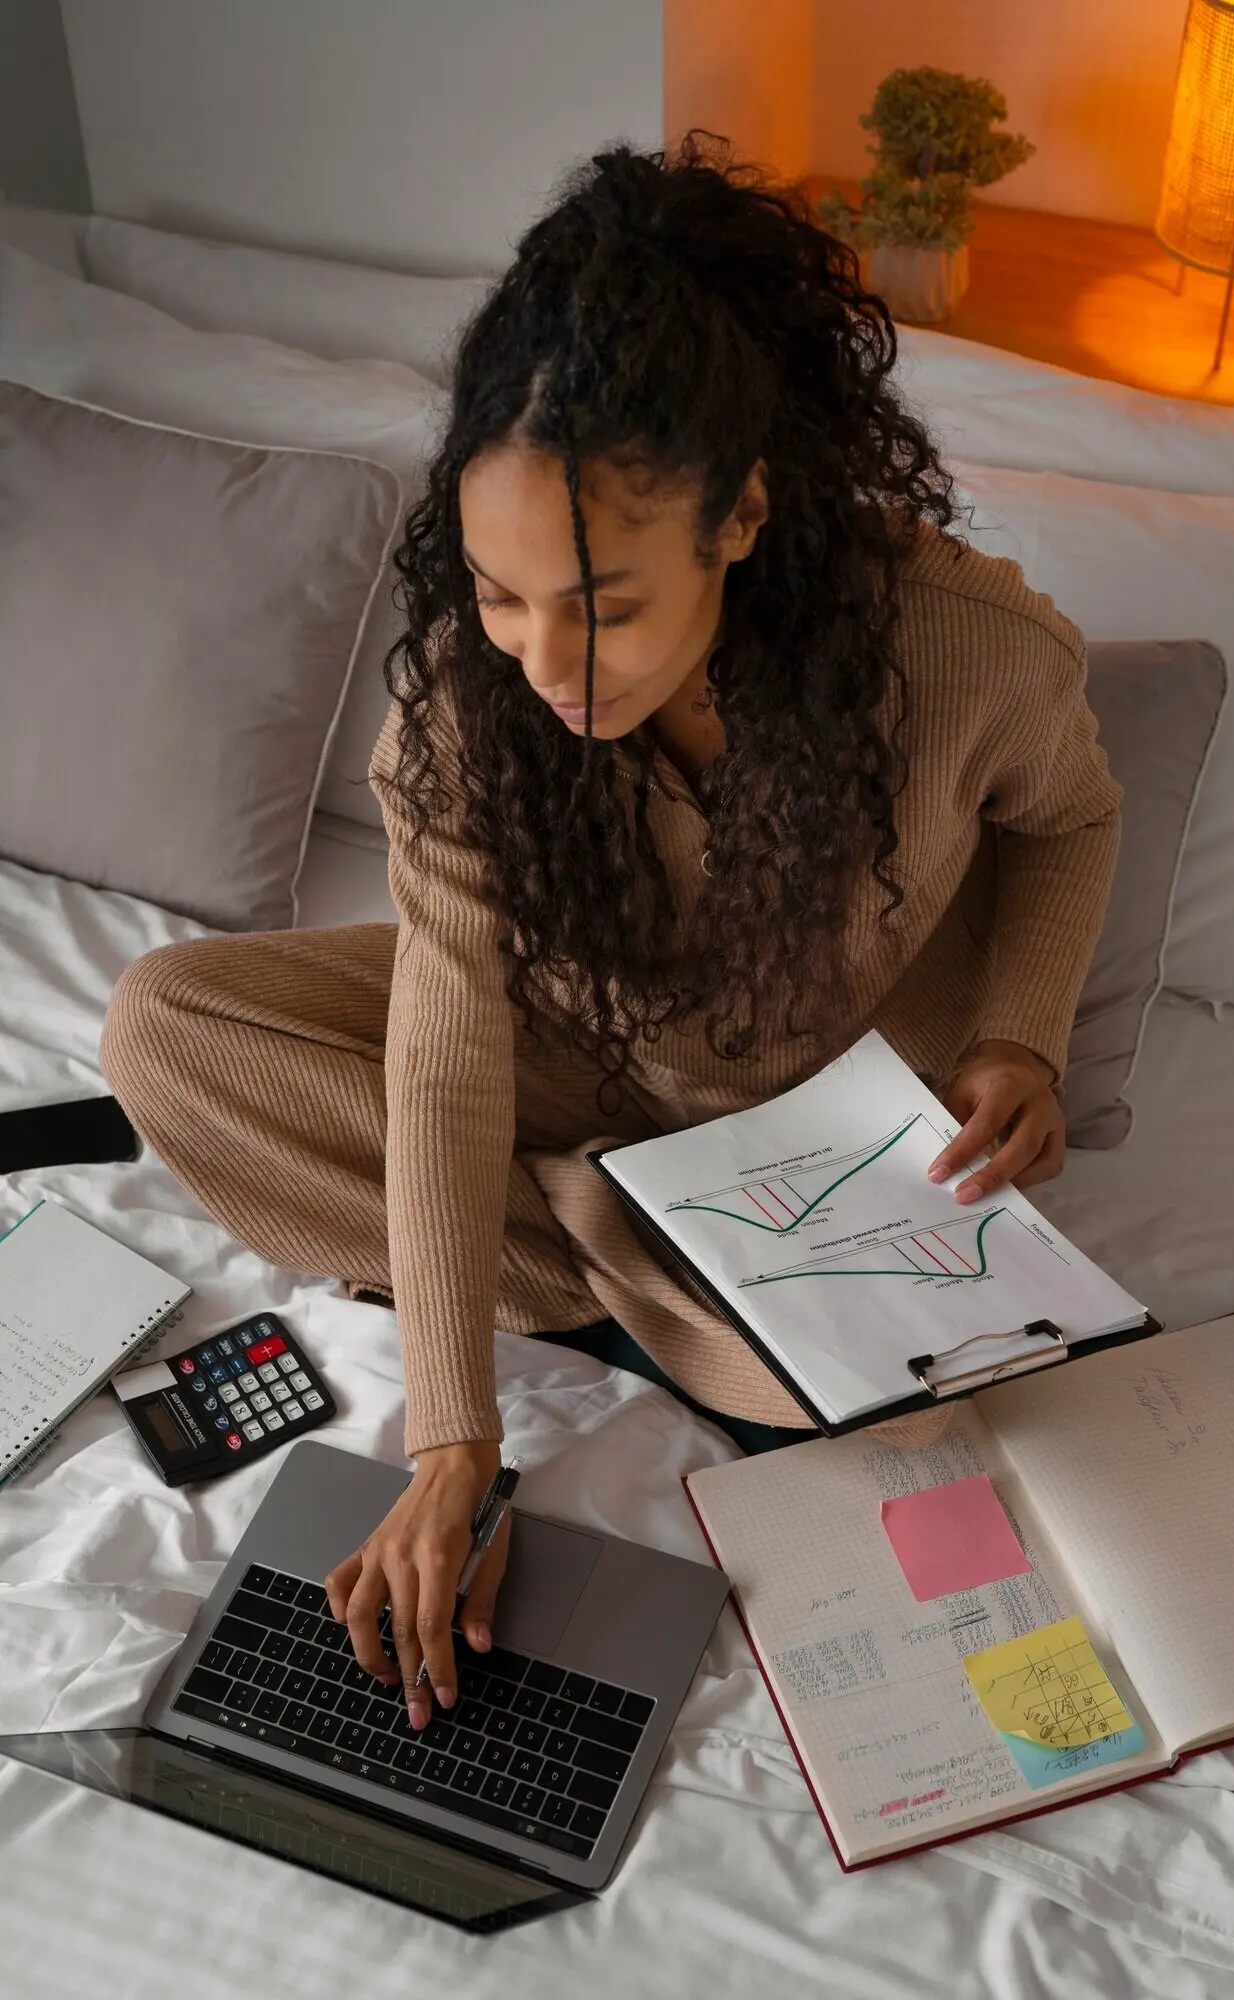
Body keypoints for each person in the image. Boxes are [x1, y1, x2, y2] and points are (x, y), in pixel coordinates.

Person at [100, 135, 1120, 1735]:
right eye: (503, 594)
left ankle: (617, 1261)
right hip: (570, 1056)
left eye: (603, 602)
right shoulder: (467, 705)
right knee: (161, 1031)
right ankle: (638, 1258)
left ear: (740, 519)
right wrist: (455, 1442)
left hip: (812, 1123)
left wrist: (1017, 1037)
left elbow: (1071, 824)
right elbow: (442, 1063)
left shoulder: (972, 653)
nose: (545, 660)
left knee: (917, 1408)